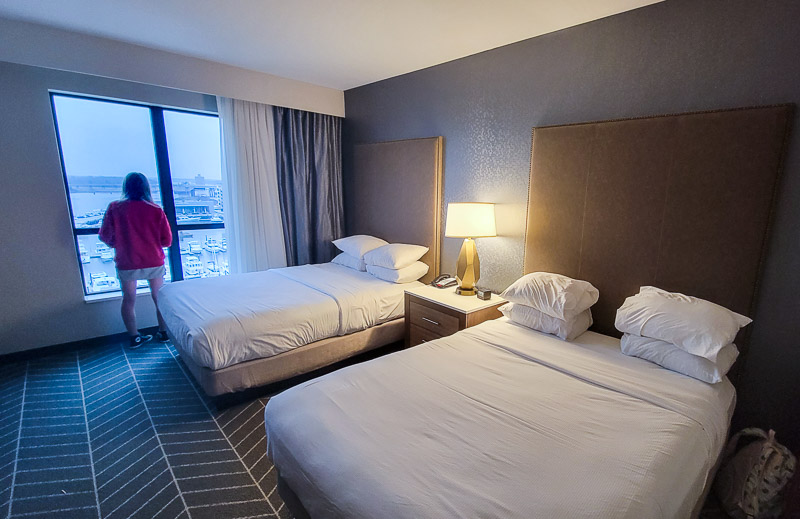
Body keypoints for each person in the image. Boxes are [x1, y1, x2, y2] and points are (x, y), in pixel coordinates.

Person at [99, 172, 172, 348]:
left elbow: (105, 235)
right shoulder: (155, 210)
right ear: (146, 188)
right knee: (159, 298)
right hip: (153, 259)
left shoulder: (115, 208)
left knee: (129, 299)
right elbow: (167, 240)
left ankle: (134, 337)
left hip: (127, 260)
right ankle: (163, 333)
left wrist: (118, 243)